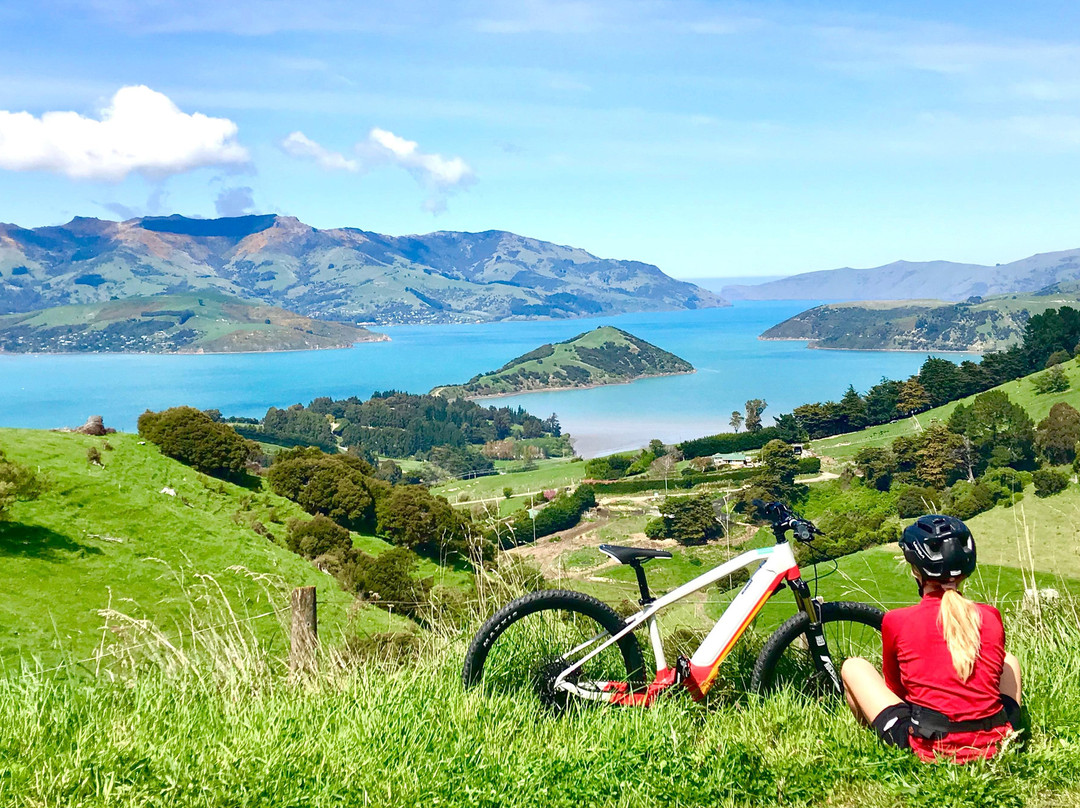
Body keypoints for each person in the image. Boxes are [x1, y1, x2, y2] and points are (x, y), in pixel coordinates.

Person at [841, 514, 1023, 763]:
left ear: (916, 570)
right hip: (995, 743)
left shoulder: (897, 620)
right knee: (1009, 660)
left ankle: (871, 739)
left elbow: (897, 690)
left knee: (853, 666)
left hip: (930, 747)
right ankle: (1007, 736)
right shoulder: (990, 616)